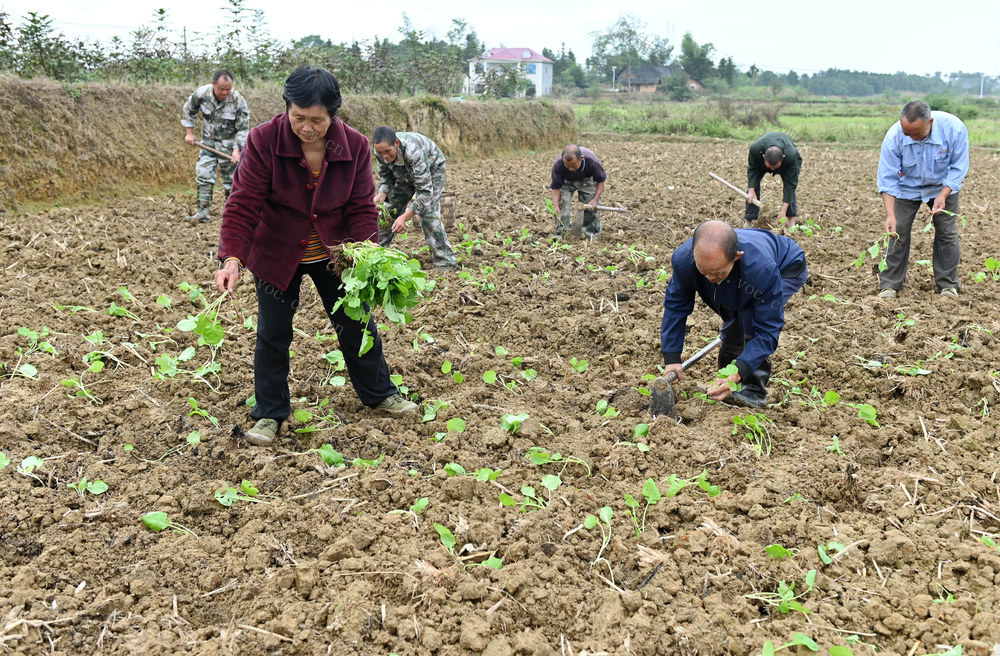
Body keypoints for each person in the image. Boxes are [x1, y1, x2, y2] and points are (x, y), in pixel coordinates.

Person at [215, 66, 416, 447]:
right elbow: (243, 204)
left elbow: (360, 207)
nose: (307, 128)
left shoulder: (353, 145)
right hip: (277, 253)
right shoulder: (263, 140)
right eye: (299, 118)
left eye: (317, 121)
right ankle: (269, 414)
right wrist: (232, 259)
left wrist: (365, 255)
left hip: (335, 254)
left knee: (356, 325)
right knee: (273, 335)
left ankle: (380, 394)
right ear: (287, 108)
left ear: (333, 114)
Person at [660, 220, 807, 408]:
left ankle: (754, 390)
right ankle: (724, 379)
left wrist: (739, 371)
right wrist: (672, 358)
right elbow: (676, 307)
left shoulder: (762, 271)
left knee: (751, 319)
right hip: (741, 274)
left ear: (736, 257)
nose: (710, 279)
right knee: (734, 321)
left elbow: (768, 330)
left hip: (787, 267)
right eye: (703, 272)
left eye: (717, 273)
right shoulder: (684, 261)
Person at [876, 100, 969, 299]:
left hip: (941, 185)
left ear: (931, 123)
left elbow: (959, 167)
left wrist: (943, 195)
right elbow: (887, 178)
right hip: (906, 187)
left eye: (916, 133)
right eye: (906, 132)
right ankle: (890, 285)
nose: (910, 137)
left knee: (947, 232)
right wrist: (890, 215)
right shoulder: (894, 137)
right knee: (897, 231)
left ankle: (947, 285)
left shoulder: (954, 129)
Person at [371, 128, 458, 269]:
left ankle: (446, 262)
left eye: (387, 151)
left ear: (397, 143)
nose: (384, 156)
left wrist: (405, 217)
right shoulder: (380, 152)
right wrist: (382, 194)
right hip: (403, 173)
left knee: (428, 213)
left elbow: (425, 193)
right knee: (387, 211)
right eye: (381, 153)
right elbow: (386, 178)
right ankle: (376, 254)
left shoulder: (413, 151)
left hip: (431, 169)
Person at [182, 70, 250, 222]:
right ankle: (203, 213)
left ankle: (232, 216)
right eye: (221, 89)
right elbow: (189, 111)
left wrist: (237, 150)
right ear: (213, 84)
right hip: (208, 144)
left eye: (228, 89)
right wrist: (190, 133)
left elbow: (243, 128)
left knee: (232, 181)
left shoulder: (238, 100)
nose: (225, 92)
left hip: (230, 146)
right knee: (203, 175)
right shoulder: (201, 94)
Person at [549, 144, 607, 240]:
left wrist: (595, 200)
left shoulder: (592, 162)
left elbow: (601, 180)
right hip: (566, 181)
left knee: (591, 208)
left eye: (574, 166)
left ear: (582, 159)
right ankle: (559, 234)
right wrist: (555, 206)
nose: (571, 169)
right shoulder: (558, 164)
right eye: (567, 166)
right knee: (562, 208)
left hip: (586, 180)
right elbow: (555, 187)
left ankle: (592, 236)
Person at [745, 132, 802, 229]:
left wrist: (783, 211)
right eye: (770, 167)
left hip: (787, 164)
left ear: (783, 158)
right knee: (752, 188)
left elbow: (790, 184)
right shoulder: (755, 149)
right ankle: (749, 221)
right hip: (760, 163)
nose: (772, 170)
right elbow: (752, 169)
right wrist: (751, 191)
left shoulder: (791, 155)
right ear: (763, 157)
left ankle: (790, 221)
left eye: (775, 167)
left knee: (790, 189)